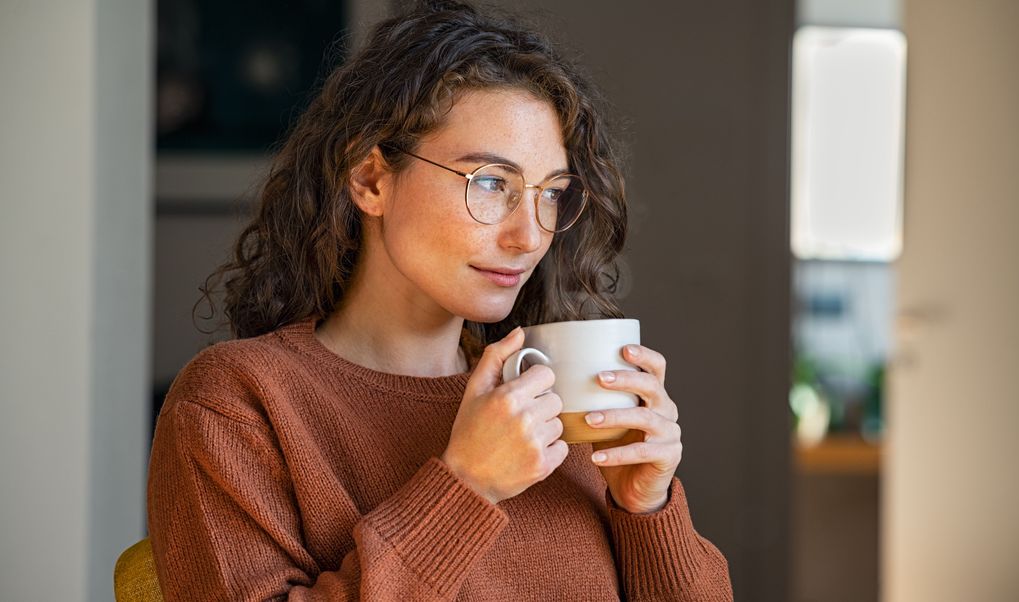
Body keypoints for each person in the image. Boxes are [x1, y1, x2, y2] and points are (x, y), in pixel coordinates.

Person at [146, 1, 733, 600]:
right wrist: (466, 487)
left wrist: (646, 508)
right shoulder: (237, 405)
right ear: (371, 180)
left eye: (551, 194)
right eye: (490, 183)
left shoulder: (557, 399)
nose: (529, 236)